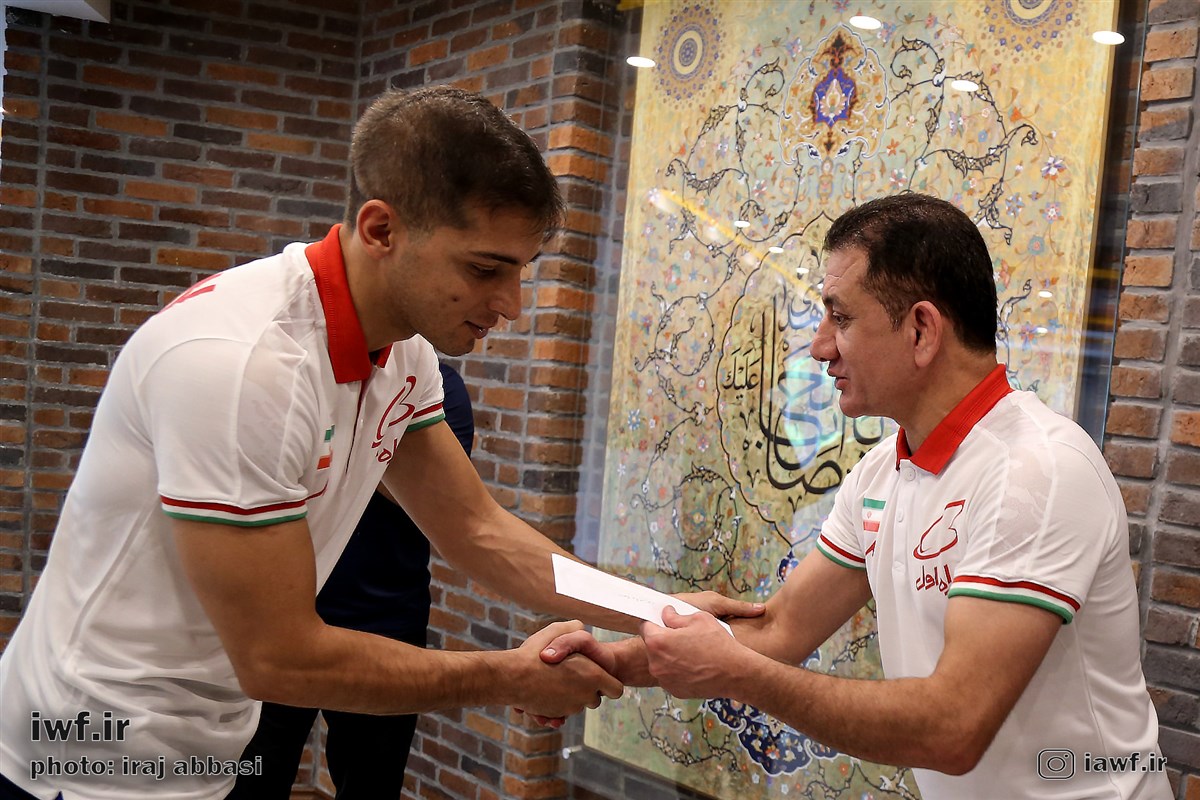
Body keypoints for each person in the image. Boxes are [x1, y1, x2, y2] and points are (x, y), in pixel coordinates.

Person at [0, 86, 760, 800]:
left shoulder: (405, 352)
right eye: (485, 269)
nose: (512, 305)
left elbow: (477, 530)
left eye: (521, 271)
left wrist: (660, 614)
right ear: (381, 230)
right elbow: (279, 656)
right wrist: (508, 675)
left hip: (201, 741)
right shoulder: (241, 367)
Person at [551, 193, 1170, 799]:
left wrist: (739, 674)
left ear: (921, 330)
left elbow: (953, 727)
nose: (820, 347)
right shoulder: (881, 473)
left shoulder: (1037, 471)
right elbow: (781, 629)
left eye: (841, 319)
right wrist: (612, 662)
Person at [228, 361, 474, 800]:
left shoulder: (439, 388)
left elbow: (426, 495)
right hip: (284, 620)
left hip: (385, 624)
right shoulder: (301, 378)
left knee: (372, 787)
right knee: (254, 779)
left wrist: (332, 434)